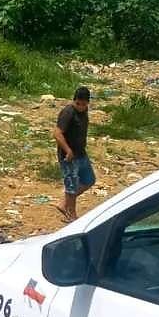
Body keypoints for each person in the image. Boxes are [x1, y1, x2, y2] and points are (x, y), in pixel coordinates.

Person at [53, 86, 96, 222]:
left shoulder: (84, 112)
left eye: (84, 104)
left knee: (89, 180)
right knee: (71, 186)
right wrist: (68, 150)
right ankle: (71, 216)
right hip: (69, 156)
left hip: (81, 153)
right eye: (78, 104)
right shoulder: (68, 112)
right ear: (74, 101)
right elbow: (57, 133)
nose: (81, 107)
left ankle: (64, 204)